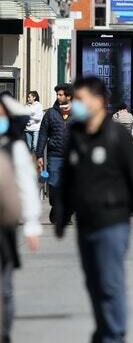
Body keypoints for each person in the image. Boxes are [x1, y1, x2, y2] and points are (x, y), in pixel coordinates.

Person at [56, 76, 133, 343]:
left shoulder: (117, 136)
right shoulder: (77, 135)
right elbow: (69, 178)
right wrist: (61, 215)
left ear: (100, 101)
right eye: (74, 99)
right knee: (93, 282)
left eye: (81, 100)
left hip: (113, 222)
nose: (75, 104)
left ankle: (114, 335)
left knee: (110, 282)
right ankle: (104, 330)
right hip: (86, 223)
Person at [0, 95, 42, 342]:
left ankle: (4, 332)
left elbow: (27, 185)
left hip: (4, 226)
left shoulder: (15, 148)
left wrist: (32, 225)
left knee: (4, 287)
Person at [36, 83, 74, 223]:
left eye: (60, 94)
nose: (58, 97)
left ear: (68, 96)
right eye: (57, 94)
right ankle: (56, 208)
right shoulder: (50, 114)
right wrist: (39, 155)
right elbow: (42, 135)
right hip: (55, 155)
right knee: (54, 185)